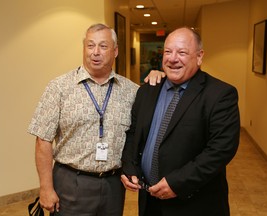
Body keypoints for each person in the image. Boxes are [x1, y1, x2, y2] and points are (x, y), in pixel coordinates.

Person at [27, 23, 163, 216]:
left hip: (113, 185)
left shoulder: (131, 91)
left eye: (103, 46)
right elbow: (43, 140)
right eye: (90, 46)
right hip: (71, 182)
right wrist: (46, 188)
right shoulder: (59, 87)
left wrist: (159, 77)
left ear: (115, 51)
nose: (95, 52)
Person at [121, 27, 240, 216]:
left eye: (182, 52)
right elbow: (133, 132)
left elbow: (221, 149)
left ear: (199, 57)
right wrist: (129, 166)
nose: (173, 58)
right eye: (168, 51)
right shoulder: (147, 90)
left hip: (194, 204)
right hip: (149, 201)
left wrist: (177, 183)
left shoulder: (220, 94)